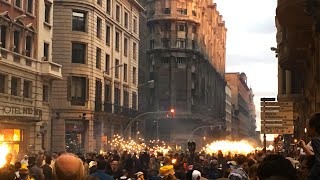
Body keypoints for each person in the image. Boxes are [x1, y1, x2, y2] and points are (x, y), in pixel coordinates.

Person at [304, 113, 320, 179]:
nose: (306, 129)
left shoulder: (316, 140)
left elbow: (319, 163)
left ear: (313, 127)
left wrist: (310, 177)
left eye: (307, 126)